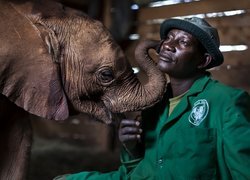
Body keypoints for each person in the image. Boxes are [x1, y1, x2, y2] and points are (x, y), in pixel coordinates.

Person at [55, 17, 250, 180]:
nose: (168, 46)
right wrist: (131, 146)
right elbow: (136, 171)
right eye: (169, 38)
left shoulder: (226, 102)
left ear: (204, 60)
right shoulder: (155, 104)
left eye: (183, 42)